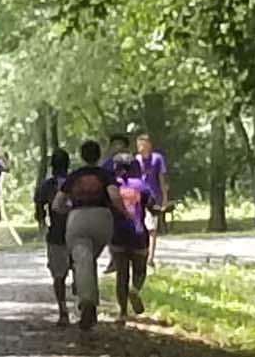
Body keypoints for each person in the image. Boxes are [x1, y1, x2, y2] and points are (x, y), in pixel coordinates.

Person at [52, 140, 122, 330]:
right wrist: (125, 213)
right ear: (98, 155)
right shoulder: (105, 175)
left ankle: (88, 302)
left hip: (78, 218)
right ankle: (90, 302)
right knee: (89, 260)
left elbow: (57, 204)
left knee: (82, 259)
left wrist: (69, 209)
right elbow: (115, 196)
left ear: (82, 156)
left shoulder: (74, 177)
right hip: (102, 218)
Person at [110, 156, 153, 326]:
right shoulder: (142, 185)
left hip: (118, 234)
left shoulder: (112, 186)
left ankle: (122, 313)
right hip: (138, 234)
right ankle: (135, 290)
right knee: (140, 269)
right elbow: (152, 206)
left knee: (121, 275)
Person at [33, 148, 73, 326]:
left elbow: (39, 210)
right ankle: (84, 299)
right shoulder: (76, 183)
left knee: (58, 276)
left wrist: (43, 225)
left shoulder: (46, 186)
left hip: (56, 233)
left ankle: (63, 310)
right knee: (81, 267)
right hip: (77, 231)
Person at [135, 132, 171, 265]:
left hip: (153, 197)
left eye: (143, 145)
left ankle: (150, 257)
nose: (141, 148)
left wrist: (164, 199)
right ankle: (141, 254)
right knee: (139, 227)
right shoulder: (136, 160)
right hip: (138, 198)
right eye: (139, 145)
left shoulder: (157, 159)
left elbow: (161, 180)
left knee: (152, 228)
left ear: (149, 145)